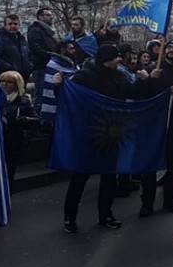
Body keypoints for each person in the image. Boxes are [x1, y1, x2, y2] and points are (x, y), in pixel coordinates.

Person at [56, 44, 158, 234]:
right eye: (116, 57)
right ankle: (69, 217)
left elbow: (131, 94)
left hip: (112, 134)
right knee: (80, 176)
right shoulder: (85, 76)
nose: (120, 59)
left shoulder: (119, 76)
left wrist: (144, 82)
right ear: (106, 59)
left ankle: (106, 215)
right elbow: (70, 96)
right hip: (89, 134)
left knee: (109, 177)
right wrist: (59, 85)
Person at [139, 40, 173, 216]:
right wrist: (149, 80)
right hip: (154, 126)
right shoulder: (154, 69)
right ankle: (147, 203)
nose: (170, 51)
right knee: (149, 167)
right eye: (168, 48)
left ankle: (170, 200)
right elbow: (139, 94)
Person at [0, 71, 39, 184]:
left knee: (9, 174)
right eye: (2, 81)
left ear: (17, 84)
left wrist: (22, 120)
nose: (4, 84)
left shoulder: (24, 101)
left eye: (9, 82)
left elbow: (36, 120)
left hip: (13, 142)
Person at [27, 7, 58, 111]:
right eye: (48, 15)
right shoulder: (35, 30)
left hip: (50, 67)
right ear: (40, 16)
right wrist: (53, 56)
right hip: (41, 67)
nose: (51, 17)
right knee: (40, 95)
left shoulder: (49, 32)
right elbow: (36, 49)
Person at [0, 14, 32, 82]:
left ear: (19, 25)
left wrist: (30, 67)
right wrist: (10, 68)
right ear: (5, 26)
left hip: (22, 78)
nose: (13, 26)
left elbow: (29, 55)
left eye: (15, 24)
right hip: (6, 78)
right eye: (10, 24)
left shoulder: (23, 40)